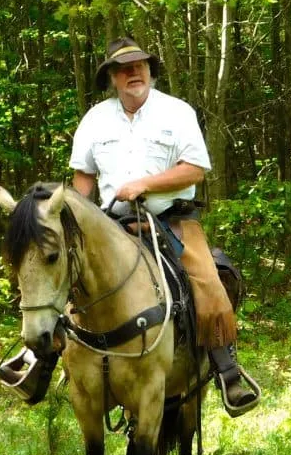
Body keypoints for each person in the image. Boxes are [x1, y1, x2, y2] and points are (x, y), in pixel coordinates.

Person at [69, 37, 258, 416]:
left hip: (173, 220)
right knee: (65, 278)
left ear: (150, 71)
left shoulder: (177, 112)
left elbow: (195, 169)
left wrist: (145, 184)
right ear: (112, 78)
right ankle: (37, 358)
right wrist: (74, 214)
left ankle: (227, 371)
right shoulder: (95, 119)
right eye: (123, 69)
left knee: (208, 284)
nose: (132, 73)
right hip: (111, 224)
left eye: (139, 65)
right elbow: (83, 178)